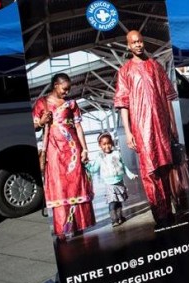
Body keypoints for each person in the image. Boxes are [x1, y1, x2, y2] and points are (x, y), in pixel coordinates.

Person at [113, 30, 182, 229]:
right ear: (128, 46)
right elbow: (123, 103)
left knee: (166, 168)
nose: (138, 45)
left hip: (161, 127)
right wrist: (128, 132)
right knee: (150, 172)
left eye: (140, 41)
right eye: (134, 42)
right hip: (141, 130)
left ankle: (169, 211)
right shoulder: (125, 71)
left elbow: (168, 97)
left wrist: (172, 125)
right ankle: (159, 215)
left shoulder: (156, 66)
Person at [33, 72, 95, 239]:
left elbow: (79, 128)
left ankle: (79, 226)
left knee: (76, 185)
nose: (67, 92)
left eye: (69, 89)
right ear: (56, 86)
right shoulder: (42, 103)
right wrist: (41, 121)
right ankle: (62, 231)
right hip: (54, 152)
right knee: (59, 187)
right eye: (64, 89)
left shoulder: (72, 104)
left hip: (73, 150)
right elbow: (35, 127)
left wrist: (85, 149)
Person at [85, 132, 138, 227]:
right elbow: (94, 169)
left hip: (119, 182)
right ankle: (114, 220)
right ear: (100, 146)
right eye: (104, 144)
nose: (107, 146)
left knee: (118, 201)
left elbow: (123, 166)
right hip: (110, 185)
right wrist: (87, 165)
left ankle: (120, 217)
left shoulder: (117, 153)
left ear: (112, 143)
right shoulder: (100, 157)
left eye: (109, 143)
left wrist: (131, 175)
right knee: (112, 202)